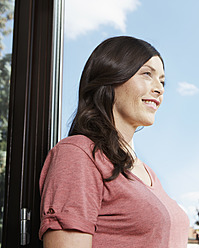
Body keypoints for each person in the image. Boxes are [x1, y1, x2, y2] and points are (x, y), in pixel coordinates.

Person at [39, 36, 190, 248]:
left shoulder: (147, 172)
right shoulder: (77, 155)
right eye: (147, 74)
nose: (159, 89)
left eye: (162, 81)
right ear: (111, 77)